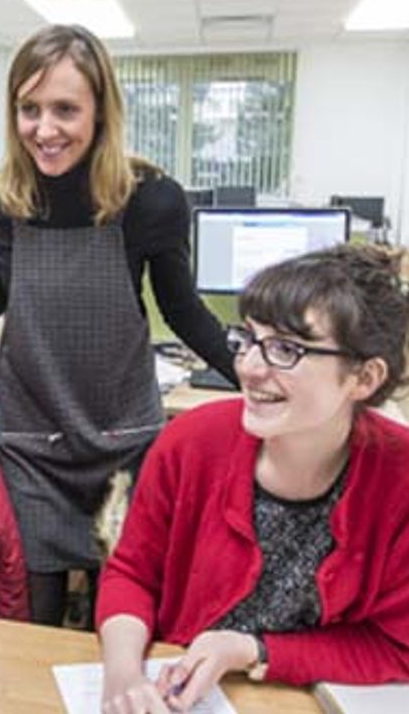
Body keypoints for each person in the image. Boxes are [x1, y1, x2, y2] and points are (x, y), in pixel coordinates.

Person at [0, 24, 234, 626]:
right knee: (32, 618)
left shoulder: (150, 200)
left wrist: (247, 370)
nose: (44, 128)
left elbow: (182, 308)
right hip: (32, 442)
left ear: (101, 111)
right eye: (28, 109)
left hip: (124, 440)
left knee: (120, 613)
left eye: (65, 109)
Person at [98, 243, 409, 713]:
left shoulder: (399, 478)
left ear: (363, 378)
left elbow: (395, 647)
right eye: (248, 339)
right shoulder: (189, 442)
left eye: (286, 349)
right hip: (181, 691)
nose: (249, 366)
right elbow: (132, 574)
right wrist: (122, 673)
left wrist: (251, 649)